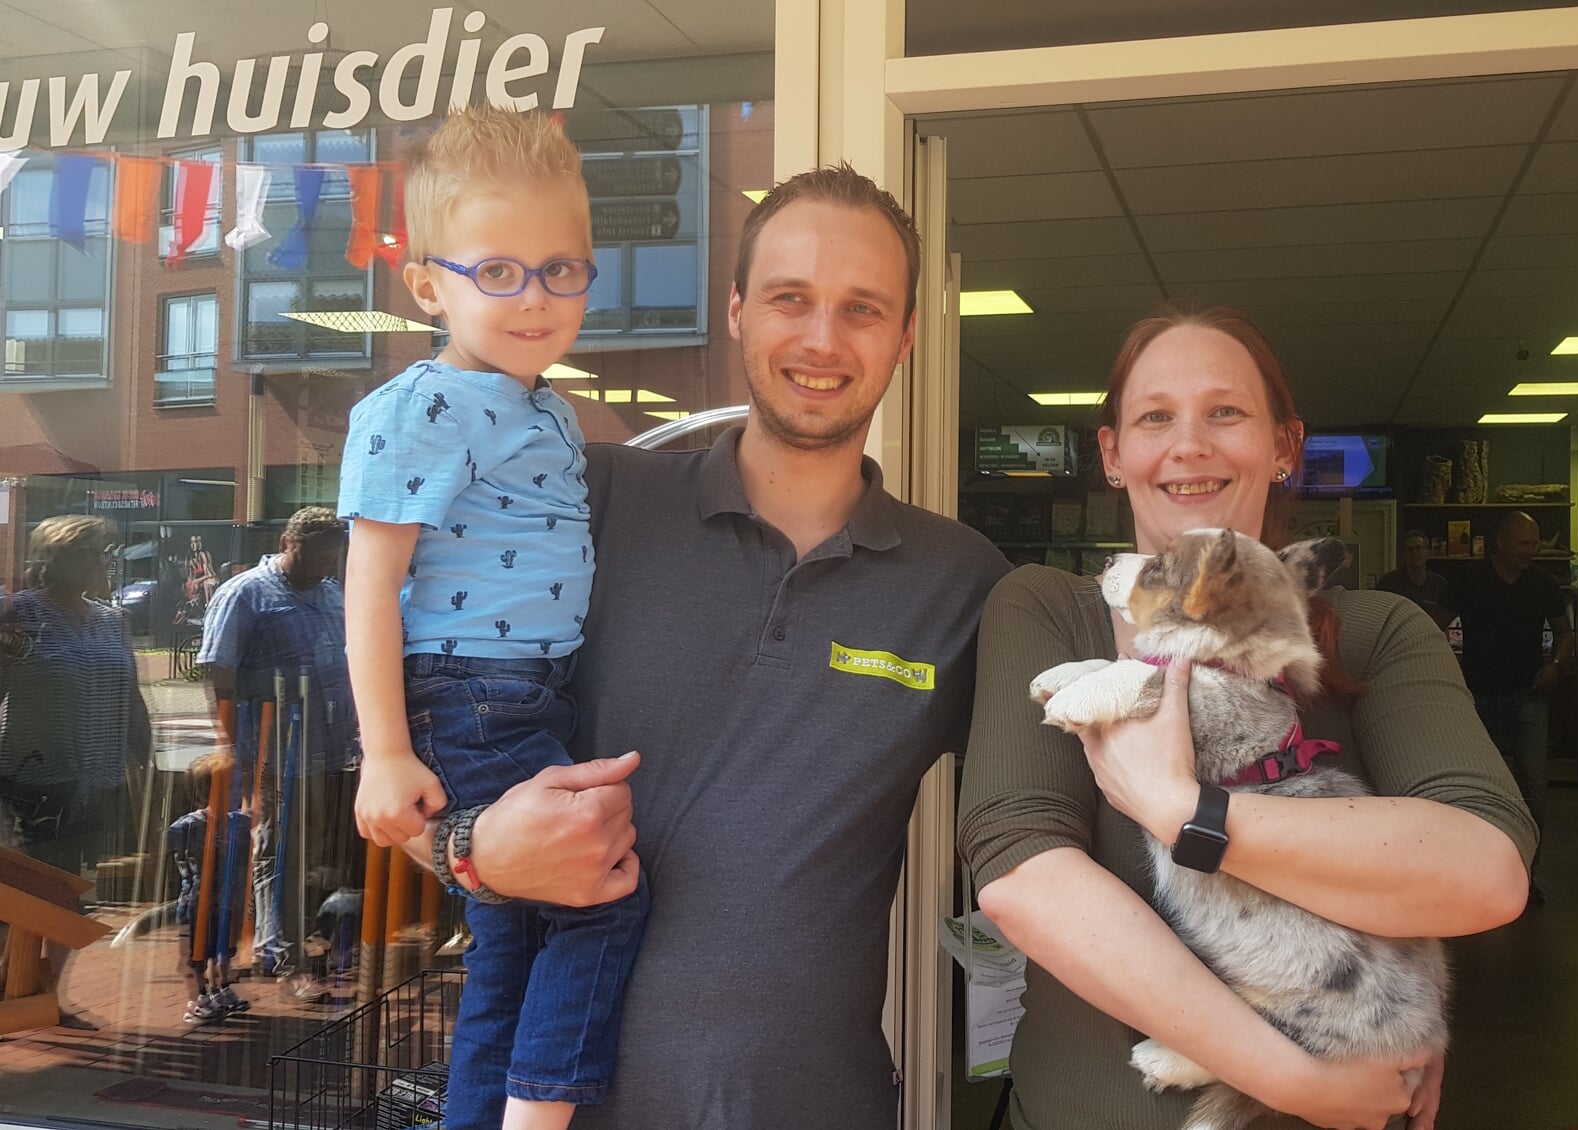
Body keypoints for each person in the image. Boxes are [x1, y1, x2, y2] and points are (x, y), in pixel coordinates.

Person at [395, 163, 1008, 1128]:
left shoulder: (962, 584)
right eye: (788, 298)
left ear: (906, 337)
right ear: (735, 311)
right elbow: (390, 752)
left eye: (861, 308)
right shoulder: (588, 503)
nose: (820, 338)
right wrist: (473, 852)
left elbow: (1051, 823)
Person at [956, 307, 1536, 1130]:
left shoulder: (1377, 632)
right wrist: (1289, 1079)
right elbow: (1022, 875)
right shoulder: (1049, 610)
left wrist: (1187, 814)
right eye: (1155, 417)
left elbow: (1485, 872)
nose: (1188, 443)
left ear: (1283, 446)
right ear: (1113, 456)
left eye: (1224, 412)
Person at [337, 105, 643, 1130]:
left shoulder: (545, 405)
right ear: (428, 283)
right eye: (498, 271)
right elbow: (370, 582)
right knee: (600, 895)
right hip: (467, 696)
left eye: (562, 269)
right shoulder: (422, 405)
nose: (535, 297)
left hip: (523, 695)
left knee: (512, 938)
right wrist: (384, 751)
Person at [0, 513, 151, 1030]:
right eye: (90, 554)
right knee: (17, 897)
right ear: (57, 560)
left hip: (99, 779)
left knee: (70, 894)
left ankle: (56, 1000)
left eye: (103, 554)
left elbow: (130, 696)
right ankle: (7, 998)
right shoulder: (17, 617)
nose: (101, 564)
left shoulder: (113, 620)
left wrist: (140, 759)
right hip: (34, 780)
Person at [198, 506, 355, 995]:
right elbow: (217, 672)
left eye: (333, 556)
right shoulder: (245, 593)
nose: (326, 565)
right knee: (279, 848)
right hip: (274, 748)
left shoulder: (332, 594)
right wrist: (227, 744)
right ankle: (281, 954)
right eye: (316, 555)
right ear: (289, 542)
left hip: (330, 748)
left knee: (311, 850)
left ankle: (289, 938)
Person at [1437, 510, 1573, 878]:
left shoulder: (1543, 584)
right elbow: (1434, 626)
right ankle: (1477, 869)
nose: (1531, 551)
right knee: (1475, 785)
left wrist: (1555, 665)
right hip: (1477, 696)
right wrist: (1442, 667)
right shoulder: (1469, 579)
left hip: (1528, 693)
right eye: (1524, 543)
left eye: (1535, 543)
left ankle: (1527, 873)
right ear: (1502, 541)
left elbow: (1564, 633)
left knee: (1533, 786)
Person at [166, 751, 253, 1024]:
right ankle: (197, 997)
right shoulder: (189, 826)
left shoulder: (239, 823)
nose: (238, 791)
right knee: (195, 953)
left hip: (228, 900)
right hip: (197, 903)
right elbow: (172, 850)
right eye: (232, 786)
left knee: (224, 948)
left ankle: (220, 987)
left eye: (240, 785)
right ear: (207, 791)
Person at [1375, 530, 1449, 628]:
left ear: (1428, 552)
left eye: (1419, 548)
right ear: (1403, 555)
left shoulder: (1440, 584)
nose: (1414, 552)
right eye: (1409, 549)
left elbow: (1447, 620)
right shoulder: (1388, 583)